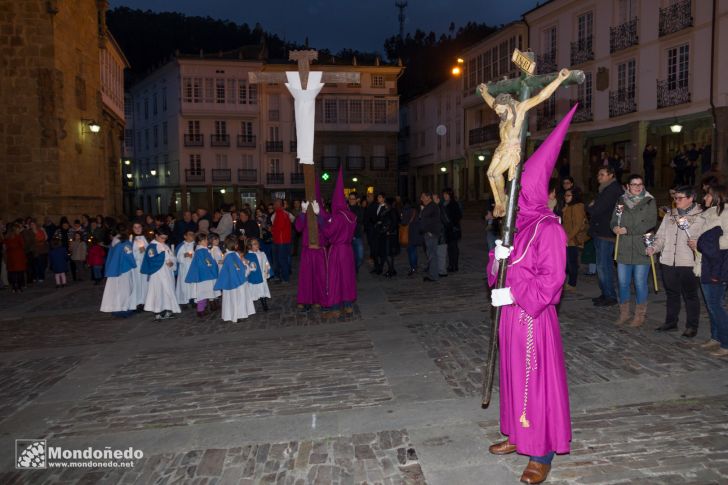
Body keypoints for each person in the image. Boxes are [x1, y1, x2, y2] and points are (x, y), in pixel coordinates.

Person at [487, 105, 577, 484]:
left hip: (533, 319)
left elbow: (550, 282)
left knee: (534, 380)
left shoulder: (550, 230)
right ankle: (516, 433)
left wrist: (513, 290)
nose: (513, 196)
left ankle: (540, 452)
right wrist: (497, 259)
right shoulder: (516, 227)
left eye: (519, 190)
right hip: (511, 316)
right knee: (510, 375)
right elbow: (501, 271)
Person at [647, 185, 704, 337]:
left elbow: (700, 238)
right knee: (672, 293)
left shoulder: (701, 216)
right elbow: (661, 236)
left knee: (690, 295)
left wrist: (686, 225)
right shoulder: (669, 215)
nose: (676, 201)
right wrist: (654, 247)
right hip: (667, 260)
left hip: (688, 262)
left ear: (691, 198)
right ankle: (671, 322)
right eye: (675, 198)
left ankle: (692, 326)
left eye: (680, 198)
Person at [611, 174, 657, 326]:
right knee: (623, 283)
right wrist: (615, 227)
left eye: (640, 184)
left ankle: (639, 315)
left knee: (639, 282)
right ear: (628, 186)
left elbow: (650, 222)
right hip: (623, 247)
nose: (637, 187)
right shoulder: (620, 200)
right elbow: (613, 220)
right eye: (634, 184)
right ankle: (624, 313)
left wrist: (628, 230)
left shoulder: (650, 201)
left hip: (641, 246)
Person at [695, 184, 728, 357]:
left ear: (718, 197)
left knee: (716, 305)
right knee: (711, 305)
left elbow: (726, 240)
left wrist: (702, 243)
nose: (705, 198)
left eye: (708, 196)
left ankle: (726, 342)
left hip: (719, 265)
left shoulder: (725, 213)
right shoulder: (709, 213)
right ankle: (716, 337)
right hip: (706, 264)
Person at [321, 170, 359, 317]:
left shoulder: (337, 217)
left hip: (337, 250)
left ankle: (335, 307)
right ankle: (348, 305)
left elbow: (328, 232)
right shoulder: (351, 215)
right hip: (348, 250)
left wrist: (323, 222)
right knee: (347, 278)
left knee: (335, 278)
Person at [586, 166, 622, 307]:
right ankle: (606, 293)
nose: (599, 177)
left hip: (606, 233)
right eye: (598, 174)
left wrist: (590, 207)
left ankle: (610, 295)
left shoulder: (611, 190)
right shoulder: (606, 189)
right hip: (601, 231)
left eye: (602, 174)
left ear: (611, 175)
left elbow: (596, 209)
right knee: (602, 265)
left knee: (604, 266)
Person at [141, 226, 181, 321]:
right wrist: (164, 257)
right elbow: (152, 259)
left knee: (167, 291)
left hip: (167, 273)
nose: (163, 240)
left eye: (165, 238)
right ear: (156, 235)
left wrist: (172, 262)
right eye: (162, 237)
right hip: (157, 273)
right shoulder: (152, 246)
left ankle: (168, 310)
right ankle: (157, 312)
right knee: (158, 291)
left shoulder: (165, 245)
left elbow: (172, 257)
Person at [295, 196, 326, 311]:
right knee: (306, 277)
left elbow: (326, 228)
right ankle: (305, 300)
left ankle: (318, 300)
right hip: (307, 250)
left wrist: (319, 216)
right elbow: (298, 228)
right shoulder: (305, 215)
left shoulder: (322, 214)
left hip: (318, 250)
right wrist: (302, 213)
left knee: (319, 276)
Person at [214, 235, 255, 323]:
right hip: (236, 283)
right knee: (236, 299)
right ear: (235, 245)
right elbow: (237, 268)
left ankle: (234, 314)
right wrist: (246, 267)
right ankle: (237, 315)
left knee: (232, 299)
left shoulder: (231, 255)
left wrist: (244, 264)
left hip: (233, 281)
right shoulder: (230, 256)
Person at [100, 227, 137, 318]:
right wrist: (134, 264)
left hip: (114, 270)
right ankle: (124, 309)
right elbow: (129, 256)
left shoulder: (114, 244)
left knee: (115, 291)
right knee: (125, 290)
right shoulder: (125, 244)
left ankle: (116, 308)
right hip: (124, 269)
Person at [185, 233, 219, 318]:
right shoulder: (201, 251)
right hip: (204, 276)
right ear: (200, 242)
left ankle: (203, 309)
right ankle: (200, 311)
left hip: (205, 275)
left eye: (207, 239)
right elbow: (205, 263)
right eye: (205, 240)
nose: (207, 241)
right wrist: (211, 266)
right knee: (202, 293)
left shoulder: (203, 250)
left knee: (205, 292)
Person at [561, 189, 588, 289]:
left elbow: (578, 224)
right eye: (565, 195)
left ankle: (572, 283)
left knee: (571, 262)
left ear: (574, 196)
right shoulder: (568, 207)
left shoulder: (577, 207)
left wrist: (568, 238)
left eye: (568, 195)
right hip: (566, 238)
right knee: (567, 262)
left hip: (572, 239)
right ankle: (570, 282)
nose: (566, 197)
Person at [271, 198, 294, 284]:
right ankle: (279, 277)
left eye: (275, 203)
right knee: (279, 259)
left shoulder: (281, 213)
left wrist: (271, 229)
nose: (273, 205)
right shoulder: (279, 213)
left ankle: (285, 278)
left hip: (281, 241)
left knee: (281, 260)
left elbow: (279, 227)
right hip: (279, 240)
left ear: (278, 204)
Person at [244, 238, 271, 312]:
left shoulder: (262, 254)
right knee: (253, 291)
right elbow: (246, 267)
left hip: (262, 275)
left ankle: (264, 304)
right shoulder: (247, 256)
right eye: (255, 244)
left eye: (257, 243)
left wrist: (267, 271)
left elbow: (266, 262)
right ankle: (250, 306)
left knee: (262, 290)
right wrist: (249, 267)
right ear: (249, 246)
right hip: (254, 277)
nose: (257, 245)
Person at [419, 192, 441, 282]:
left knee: (432, 255)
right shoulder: (429, 206)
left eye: (423, 197)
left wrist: (430, 231)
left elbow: (432, 221)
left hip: (431, 234)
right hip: (428, 233)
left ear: (429, 197)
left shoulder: (432, 206)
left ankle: (433, 276)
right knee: (430, 254)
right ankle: (432, 274)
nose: (421, 199)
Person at [129, 222, 149, 310]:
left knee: (145, 282)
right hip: (136, 265)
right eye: (135, 227)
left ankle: (145, 301)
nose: (137, 229)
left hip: (144, 264)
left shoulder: (147, 238)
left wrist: (146, 251)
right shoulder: (131, 238)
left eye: (139, 227)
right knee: (137, 282)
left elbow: (151, 250)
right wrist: (138, 252)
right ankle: (137, 302)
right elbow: (129, 252)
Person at [443, 188, 462, 272]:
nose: (445, 196)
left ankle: (454, 265)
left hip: (453, 229)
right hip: (448, 229)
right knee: (450, 248)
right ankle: (451, 265)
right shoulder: (445, 204)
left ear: (450, 195)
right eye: (444, 194)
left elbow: (458, 216)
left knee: (453, 248)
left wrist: (451, 223)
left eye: (446, 194)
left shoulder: (454, 204)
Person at [175, 229, 196, 307]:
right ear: (185, 236)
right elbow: (177, 258)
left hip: (193, 268)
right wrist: (184, 255)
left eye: (193, 234)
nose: (192, 236)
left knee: (193, 284)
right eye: (190, 234)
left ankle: (193, 299)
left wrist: (193, 256)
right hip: (184, 269)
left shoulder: (196, 245)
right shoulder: (181, 246)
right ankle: (184, 300)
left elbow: (199, 256)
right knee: (184, 285)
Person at [4, 223, 28, 292]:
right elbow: (23, 245)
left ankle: (14, 287)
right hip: (19, 257)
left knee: (13, 273)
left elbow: (5, 246)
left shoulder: (7, 237)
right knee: (20, 273)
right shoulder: (18, 236)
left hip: (11, 257)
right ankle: (19, 287)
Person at [401, 199, 422, 276]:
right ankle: (415, 266)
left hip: (409, 233)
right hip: (416, 233)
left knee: (411, 251)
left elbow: (403, 222)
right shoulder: (415, 210)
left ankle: (413, 267)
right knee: (414, 250)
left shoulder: (405, 210)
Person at [432, 193, 449, 277]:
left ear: (438, 200)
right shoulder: (435, 208)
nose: (433, 201)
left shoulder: (441, 208)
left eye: (434, 199)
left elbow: (446, 221)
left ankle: (442, 271)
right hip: (437, 234)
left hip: (441, 234)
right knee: (437, 253)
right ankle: (439, 270)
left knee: (441, 253)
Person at [348, 192, 365, 273]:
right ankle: (352, 272)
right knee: (349, 257)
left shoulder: (360, 209)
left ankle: (355, 269)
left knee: (360, 257)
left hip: (357, 236)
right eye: (350, 199)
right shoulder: (346, 209)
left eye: (353, 199)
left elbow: (360, 220)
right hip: (348, 238)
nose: (351, 200)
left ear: (357, 200)